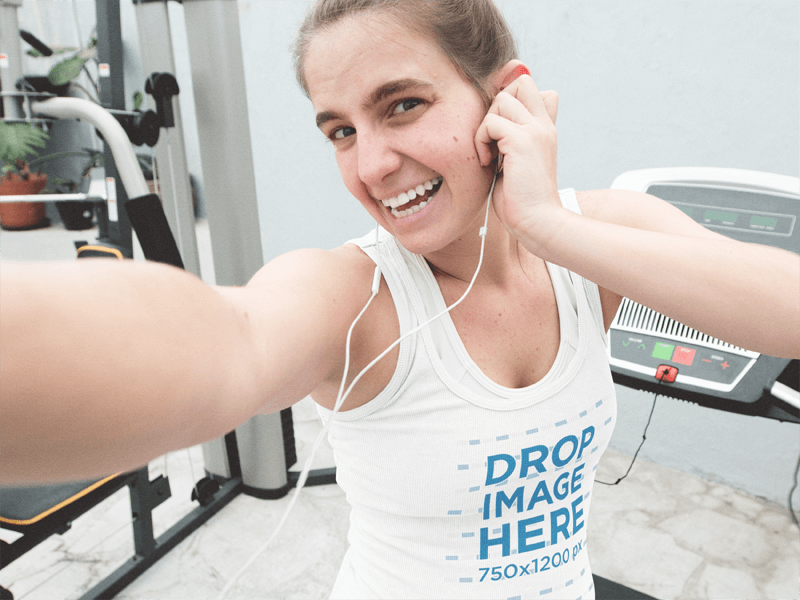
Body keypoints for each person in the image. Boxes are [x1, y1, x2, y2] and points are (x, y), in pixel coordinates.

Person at [0, 0, 797, 597]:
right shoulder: (355, 297)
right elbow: (226, 343)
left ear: (504, 101)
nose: (372, 164)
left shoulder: (595, 242)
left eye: (402, 105)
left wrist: (549, 225)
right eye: (340, 131)